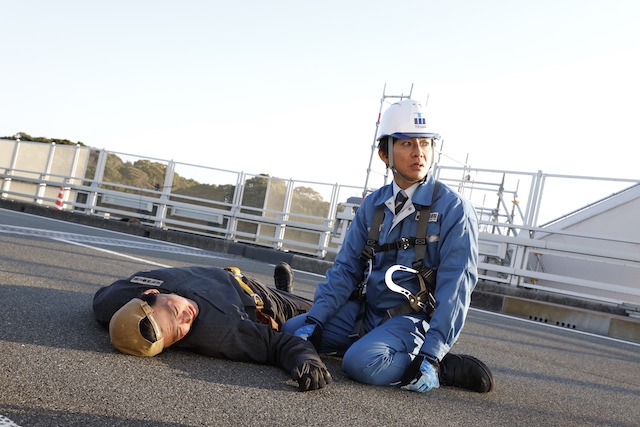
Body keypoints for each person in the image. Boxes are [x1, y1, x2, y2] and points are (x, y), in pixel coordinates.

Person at [282, 99, 494, 393]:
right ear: (385, 153)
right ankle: (379, 348)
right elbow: (346, 269)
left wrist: (433, 353)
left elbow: (456, 287)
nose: (419, 153)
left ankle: (438, 366)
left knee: (361, 364)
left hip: (412, 318)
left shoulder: (454, 209)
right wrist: (316, 318)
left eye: (425, 143)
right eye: (407, 144)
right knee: (291, 334)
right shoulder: (373, 205)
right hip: (367, 313)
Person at [92, 262, 332, 392]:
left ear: (152, 293)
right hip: (263, 301)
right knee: (323, 311)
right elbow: (277, 345)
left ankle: (286, 291)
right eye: (178, 332)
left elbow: (103, 296)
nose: (186, 318)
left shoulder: (114, 301)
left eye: (175, 312)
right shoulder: (222, 332)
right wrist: (306, 361)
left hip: (232, 276)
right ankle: (286, 294)